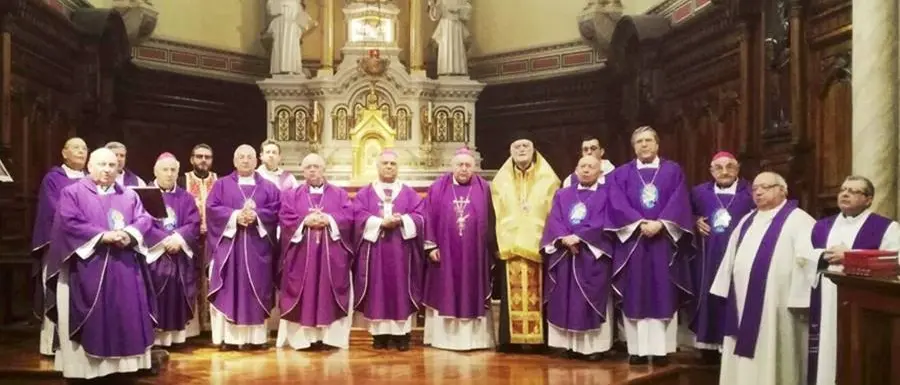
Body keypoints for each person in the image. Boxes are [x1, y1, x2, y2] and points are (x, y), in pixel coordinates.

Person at [47, 148, 157, 379]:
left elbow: (144, 218)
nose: (108, 170)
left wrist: (130, 233)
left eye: (112, 165)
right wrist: (102, 236)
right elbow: (69, 222)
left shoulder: (129, 195)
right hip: (89, 266)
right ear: (89, 166)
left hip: (125, 266)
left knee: (126, 312)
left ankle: (124, 368)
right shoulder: (73, 193)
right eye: (102, 165)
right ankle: (89, 370)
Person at [710, 171, 816, 385]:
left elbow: (810, 261)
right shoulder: (747, 220)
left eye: (765, 187)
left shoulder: (799, 220)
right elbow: (730, 258)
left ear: (782, 190)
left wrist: (800, 300)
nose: (757, 192)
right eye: (755, 188)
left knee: (773, 351)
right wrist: (723, 288)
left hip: (777, 305)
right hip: (740, 302)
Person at [603, 126, 693, 366]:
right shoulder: (621, 174)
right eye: (639, 141)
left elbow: (679, 201)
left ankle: (662, 350)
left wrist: (661, 224)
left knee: (663, 291)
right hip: (633, 242)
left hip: (663, 242)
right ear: (634, 147)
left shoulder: (673, 171)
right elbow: (616, 203)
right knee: (635, 292)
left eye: (648, 140)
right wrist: (640, 222)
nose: (644, 145)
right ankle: (637, 349)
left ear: (657, 144)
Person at [804, 175, 900, 385]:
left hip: (863, 304)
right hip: (825, 297)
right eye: (843, 190)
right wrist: (822, 256)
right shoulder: (821, 226)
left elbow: (894, 260)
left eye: (853, 191)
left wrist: (850, 255)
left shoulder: (885, 227)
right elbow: (803, 256)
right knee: (826, 351)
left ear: (868, 199)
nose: (845, 194)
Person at [206, 145, 281, 350]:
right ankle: (230, 339)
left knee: (258, 289)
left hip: (258, 248)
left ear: (256, 160)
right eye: (241, 157)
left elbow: (276, 211)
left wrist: (257, 217)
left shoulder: (269, 187)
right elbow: (211, 209)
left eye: (249, 157)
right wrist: (234, 216)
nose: (245, 161)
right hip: (231, 247)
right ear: (234, 161)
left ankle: (256, 339)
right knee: (230, 288)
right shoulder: (221, 185)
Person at [276, 153, 354, 350]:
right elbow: (285, 217)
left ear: (323, 169)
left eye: (316, 166)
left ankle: (329, 338)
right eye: (308, 167)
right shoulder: (291, 195)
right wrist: (304, 221)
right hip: (301, 254)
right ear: (302, 171)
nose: (312, 170)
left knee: (328, 290)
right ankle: (304, 339)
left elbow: (349, 216)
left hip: (331, 255)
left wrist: (329, 220)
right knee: (304, 291)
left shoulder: (339, 194)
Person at [491, 134, 560, 352]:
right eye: (517, 146)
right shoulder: (500, 181)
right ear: (510, 151)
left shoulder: (549, 179)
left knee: (538, 294)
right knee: (510, 295)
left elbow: (554, 211)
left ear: (534, 150)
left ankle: (539, 340)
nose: (521, 149)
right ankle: (510, 339)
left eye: (525, 146)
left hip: (537, 242)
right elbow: (495, 212)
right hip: (510, 243)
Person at [422, 147, 496, 351]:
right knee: (445, 289)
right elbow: (428, 216)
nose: (464, 169)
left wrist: (490, 249)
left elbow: (491, 220)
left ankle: (475, 340)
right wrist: (431, 246)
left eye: (468, 165)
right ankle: (444, 339)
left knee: (472, 288)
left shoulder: (484, 188)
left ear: (473, 167)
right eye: (460, 165)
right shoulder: (438, 187)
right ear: (452, 166)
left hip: (475, 253)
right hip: (445, 252)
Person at [541, 155, 614, 361]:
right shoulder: (562, 194)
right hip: (565, 253)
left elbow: (603, 222)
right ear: (576, 169)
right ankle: (565, 345)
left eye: (591, 167)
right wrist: (564, 238)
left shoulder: (606, 195)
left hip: (591, 255)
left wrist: (580, 237)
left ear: (599, 172)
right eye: (582, 166)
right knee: (563, 298)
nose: (586, 170)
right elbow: (554, 218)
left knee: (589, 299)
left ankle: (592, 348)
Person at [353, 149, 425, 351]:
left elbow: (420, 216)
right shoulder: (365, 193)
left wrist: (402, 220)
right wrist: (379, 222)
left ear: (397, 167)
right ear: (377, 166)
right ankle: (380, 335)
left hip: (402, 252)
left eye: (392, 164)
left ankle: (403, 335)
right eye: (384, 163)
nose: (388, 167)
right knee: (378, 290)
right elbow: (357, 216)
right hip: (375, 251)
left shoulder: (409, 193)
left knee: (401, 289)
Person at [688, 151, 754, 364]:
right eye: (719, 167)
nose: (724, 172)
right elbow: (684, 214)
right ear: (711, 171)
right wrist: (695, 220)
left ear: (738, 169)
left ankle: (731, 343)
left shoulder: (751, 192)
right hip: (708, 255)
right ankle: (707, 345)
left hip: (738, 255)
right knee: (708, 294)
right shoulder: (699, 192)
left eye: (730, 167)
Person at [31, 137, 87, 356]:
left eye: (84, 148)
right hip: (59, 246)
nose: (81, 152)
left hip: (86, 247)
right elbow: (54, 210)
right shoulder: (53, 179)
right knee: (57, 290)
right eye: (76, 148)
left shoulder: (91, 179)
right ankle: (51, 345)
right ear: (64, 153)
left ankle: (79, 345)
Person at [144, 153, 202, 347]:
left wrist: (178, 239)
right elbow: (140, 222)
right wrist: (163, 241)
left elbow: (194, 222)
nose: (169, 174)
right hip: (155, 256)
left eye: (173, 170)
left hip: (178, 255)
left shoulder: (185, 197)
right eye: (165, 170)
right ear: (155, 171)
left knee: (175, 294)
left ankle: (174, 339)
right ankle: (154, 339)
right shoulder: (144, 194)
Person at [179, 143, 217, 333]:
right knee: (191, 279)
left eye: (207, 157)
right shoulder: (181, 180)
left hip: (214, 240)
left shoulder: (220, 181)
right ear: (192, 159)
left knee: (211, 279)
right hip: (190, 241)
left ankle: (210, 326)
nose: (203, 160)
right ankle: (192, 328)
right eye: (199, 156)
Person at [428, 0, 473, 76]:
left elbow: (467, 12)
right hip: (446, 26)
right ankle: (445, 71)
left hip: (457, 27)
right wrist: (433, 5)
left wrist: (458, 10)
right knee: (446, 48)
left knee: (458, 48)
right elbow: (435, 15)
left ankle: (459, 71)